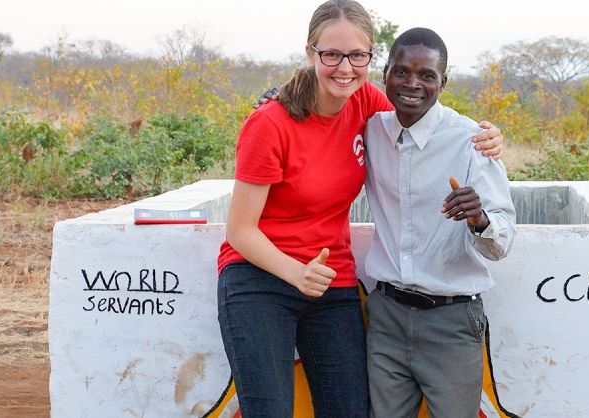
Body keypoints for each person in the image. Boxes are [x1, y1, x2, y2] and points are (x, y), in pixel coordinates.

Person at [216, 2, 504, 417]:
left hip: (331, 281)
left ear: (371, 58)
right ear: (310, 53)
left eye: (357, 56)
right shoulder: (270, 124)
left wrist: (487, 136)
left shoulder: (365, 100)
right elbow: (240, 230)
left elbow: (427, 116)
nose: (344, 68)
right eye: (331, 54)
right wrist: (296, 272)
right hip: (260, 279)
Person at [362, 27, 517, 418]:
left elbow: (501, 242)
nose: (413, 83)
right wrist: (279, 97)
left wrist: (478, 218)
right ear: (386, 74)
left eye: (427, 75)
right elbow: (321, 103)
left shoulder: (471, 141)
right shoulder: (371, 130)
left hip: (451, 322)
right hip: (386, 316)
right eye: (402, 71)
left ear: (442, 82)